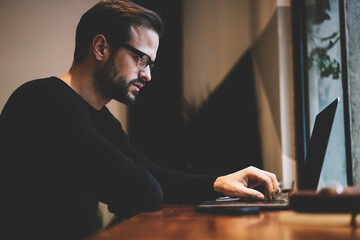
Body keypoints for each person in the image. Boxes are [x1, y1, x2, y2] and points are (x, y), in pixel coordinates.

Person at [0, 0, 279, 239]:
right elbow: (144, 191)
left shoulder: (102, 119)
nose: (147, 75)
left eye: (150, 64)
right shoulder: (43, 102)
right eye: (140, 59)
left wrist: (218, 183)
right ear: (100, 48)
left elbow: (151, 172)